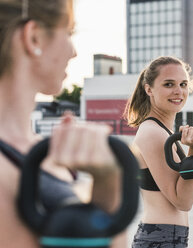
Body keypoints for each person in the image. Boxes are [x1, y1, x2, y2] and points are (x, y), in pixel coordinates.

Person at [0, 0, 129, 247]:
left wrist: (105, 182)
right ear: (34, 37)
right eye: (69, 32)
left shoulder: (37, 150)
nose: (74, 52)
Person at [124, 56, 193, 247]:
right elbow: (182, 201)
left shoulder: (162, 130)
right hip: (161, 239)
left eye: (183, 84)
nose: (178, 91)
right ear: (149, 89)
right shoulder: (153, 133)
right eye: (169, 84)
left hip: (167, 237)